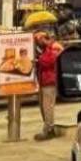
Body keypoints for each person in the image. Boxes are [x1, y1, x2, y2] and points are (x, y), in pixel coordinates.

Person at [24, 10, 63, 141]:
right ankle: (47, 127)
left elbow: (47, 61)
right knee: (42, 106)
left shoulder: (55, 47)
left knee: (48, 106)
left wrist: (39, 57)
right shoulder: (44, 48)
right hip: (43, 80)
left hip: (50, 81)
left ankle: (49, 129)